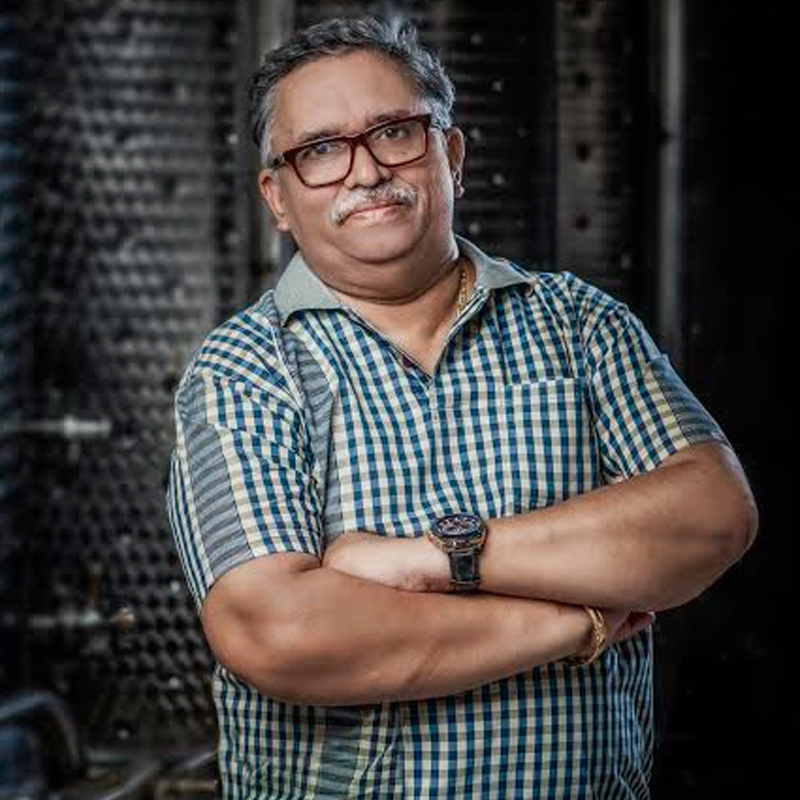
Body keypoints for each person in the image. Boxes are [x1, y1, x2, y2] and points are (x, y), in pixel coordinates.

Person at [166, 15, 758, 800]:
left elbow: (713, 516)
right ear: (277, 196)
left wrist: (434, 559)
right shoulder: (244, 370)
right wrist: (575, 624)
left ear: (450, 153)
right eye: (321, 150)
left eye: (395, 133)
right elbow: (277, 631)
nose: (365, 171)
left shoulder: (580, 324)